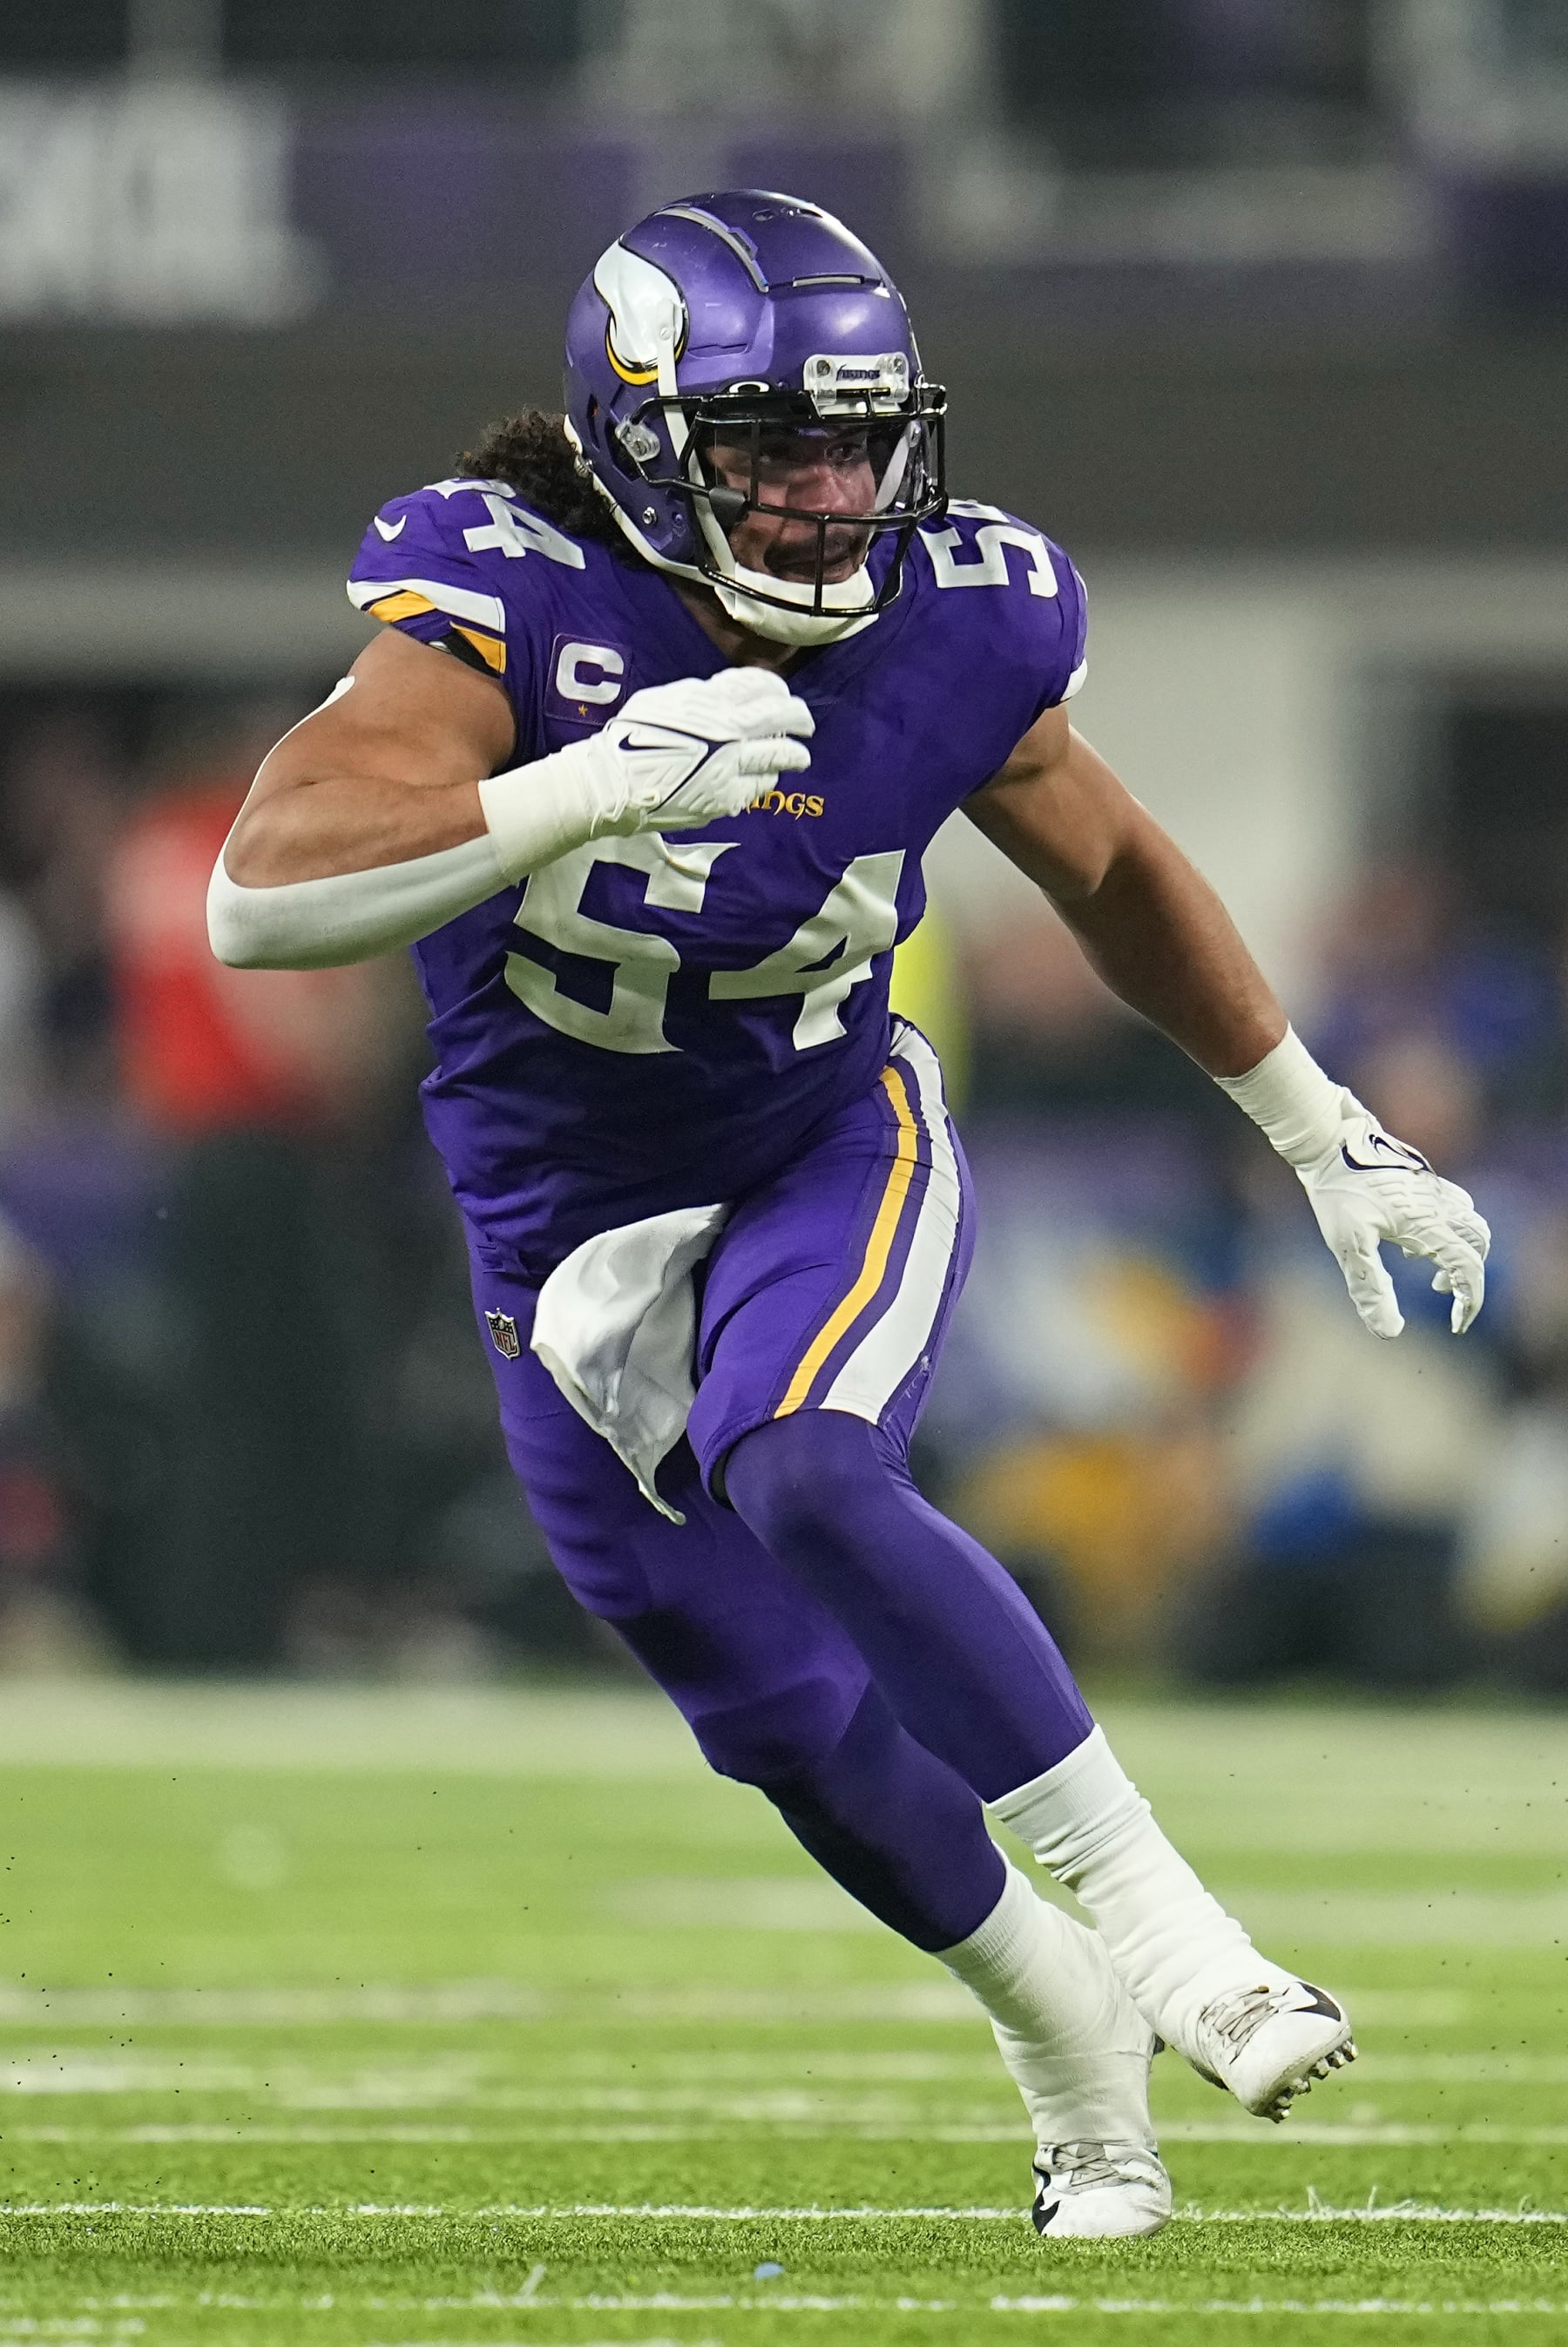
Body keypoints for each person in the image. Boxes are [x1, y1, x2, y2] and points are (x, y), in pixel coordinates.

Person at [206, 192, 1490, 2239]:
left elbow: (1111, 863)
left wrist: (1315, 1118)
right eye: (771, 451)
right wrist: (579, 784)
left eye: (859, 444)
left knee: (803, 1460)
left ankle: (1176, 1938)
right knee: (782, 1723)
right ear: (637, 442)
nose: (828, 497)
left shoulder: (960, 610)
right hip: (561, 1231)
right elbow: (259, 897)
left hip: (825, 1136)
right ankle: (1067, 2041)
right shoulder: (503, 594)